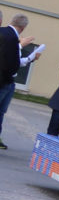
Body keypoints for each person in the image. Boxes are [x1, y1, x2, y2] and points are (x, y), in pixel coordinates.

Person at [0, 12, 36, 149]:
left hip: (8, 82)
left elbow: (13, 60)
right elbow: (9, 60)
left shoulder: (10, 35)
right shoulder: (10, 36)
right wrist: (20, 46)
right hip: (4, 81)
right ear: (24, 27)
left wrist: (29, 58)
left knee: (1, 112)